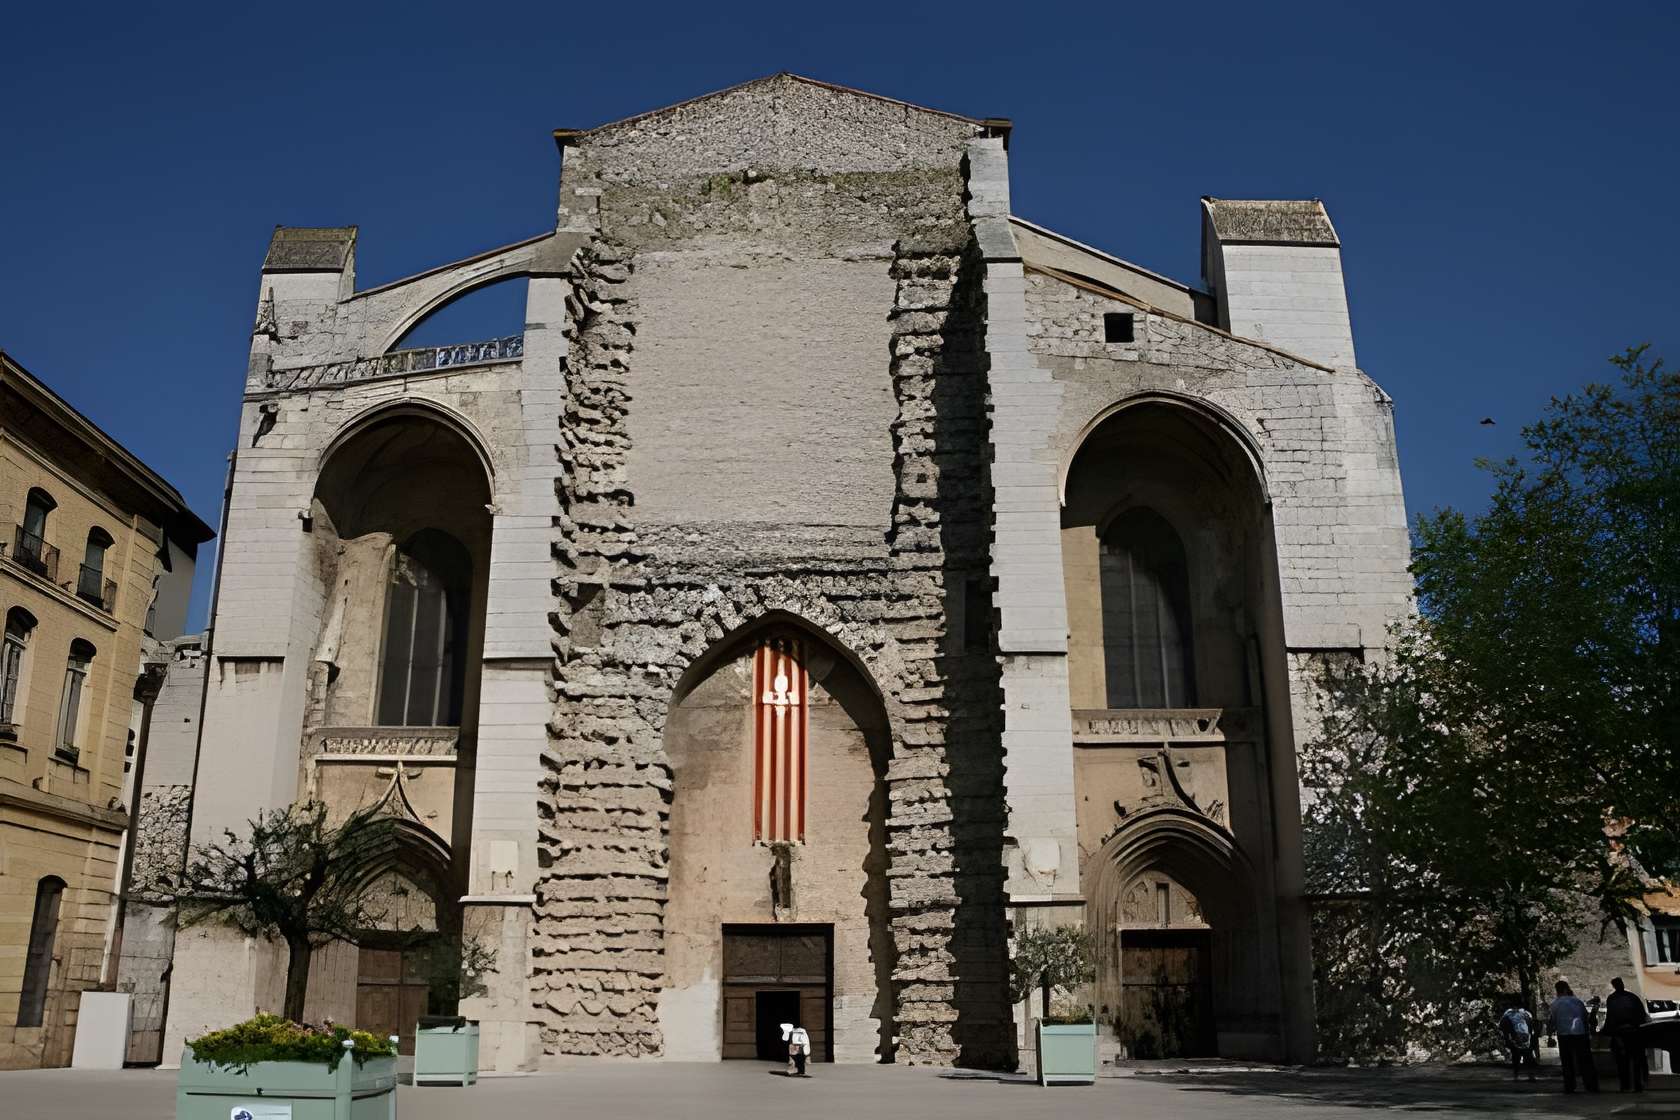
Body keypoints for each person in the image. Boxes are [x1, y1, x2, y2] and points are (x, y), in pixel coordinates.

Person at [1549, 981, 1599, 1093]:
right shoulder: (1577, 1001)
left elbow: (1553, 1021)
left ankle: (1570, 1086)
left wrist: (1551, 1034)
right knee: (1585, 1061)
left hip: (1563, 1035)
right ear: (1566, 989)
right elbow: (1585, 1017)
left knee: (1567, 1061)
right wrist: (1587, 1032)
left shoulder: (1555, 1004)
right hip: (1580, 1033)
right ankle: (1591, 1085)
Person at [1603, 977, 1650, 1092]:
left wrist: (1608, 1031)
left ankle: (1625, 1085)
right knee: (1636, 1060)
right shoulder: (1632, 997)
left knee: (1622, 1062)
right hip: (1634, 1033)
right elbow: (1641, 1015)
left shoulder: (1612, 999)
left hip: (1619, 1034)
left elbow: (1610, 1018)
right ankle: (1637, 1085)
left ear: (1614, 986)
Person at [1497, 1003, 1539, 1081]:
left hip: (1514, 1038)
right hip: (1526, 1038)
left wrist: (1507, 1039)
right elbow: (1532, 1026)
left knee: (1516, 1056)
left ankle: (1516, 1075)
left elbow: (1501, 1027)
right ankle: (1531, 1075)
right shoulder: (1526, 1014)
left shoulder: (1507, 1014)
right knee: (1528, 1056)